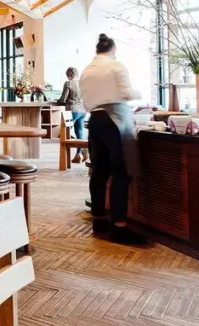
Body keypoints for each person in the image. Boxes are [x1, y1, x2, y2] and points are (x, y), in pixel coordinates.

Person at [80, 34, 147, 245]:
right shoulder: (116, 66)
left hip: (95, 120)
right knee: (122, 172)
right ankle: (119, 227)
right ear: (113, 49)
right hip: (115, 120)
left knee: (99, 171)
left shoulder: (86, 71)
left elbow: (85, 102)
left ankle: (99, 220)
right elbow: (126, 93)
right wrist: (138, 93)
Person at [55, 66, 87, 163]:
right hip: (83, 111)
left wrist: (58, 101)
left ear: (69, 75)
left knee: (66, 133)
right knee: (80, 132)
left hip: (71, 111)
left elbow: (63, 99)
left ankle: (65, 160)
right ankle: (79, 153)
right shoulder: (83, 83)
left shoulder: (68, 83)